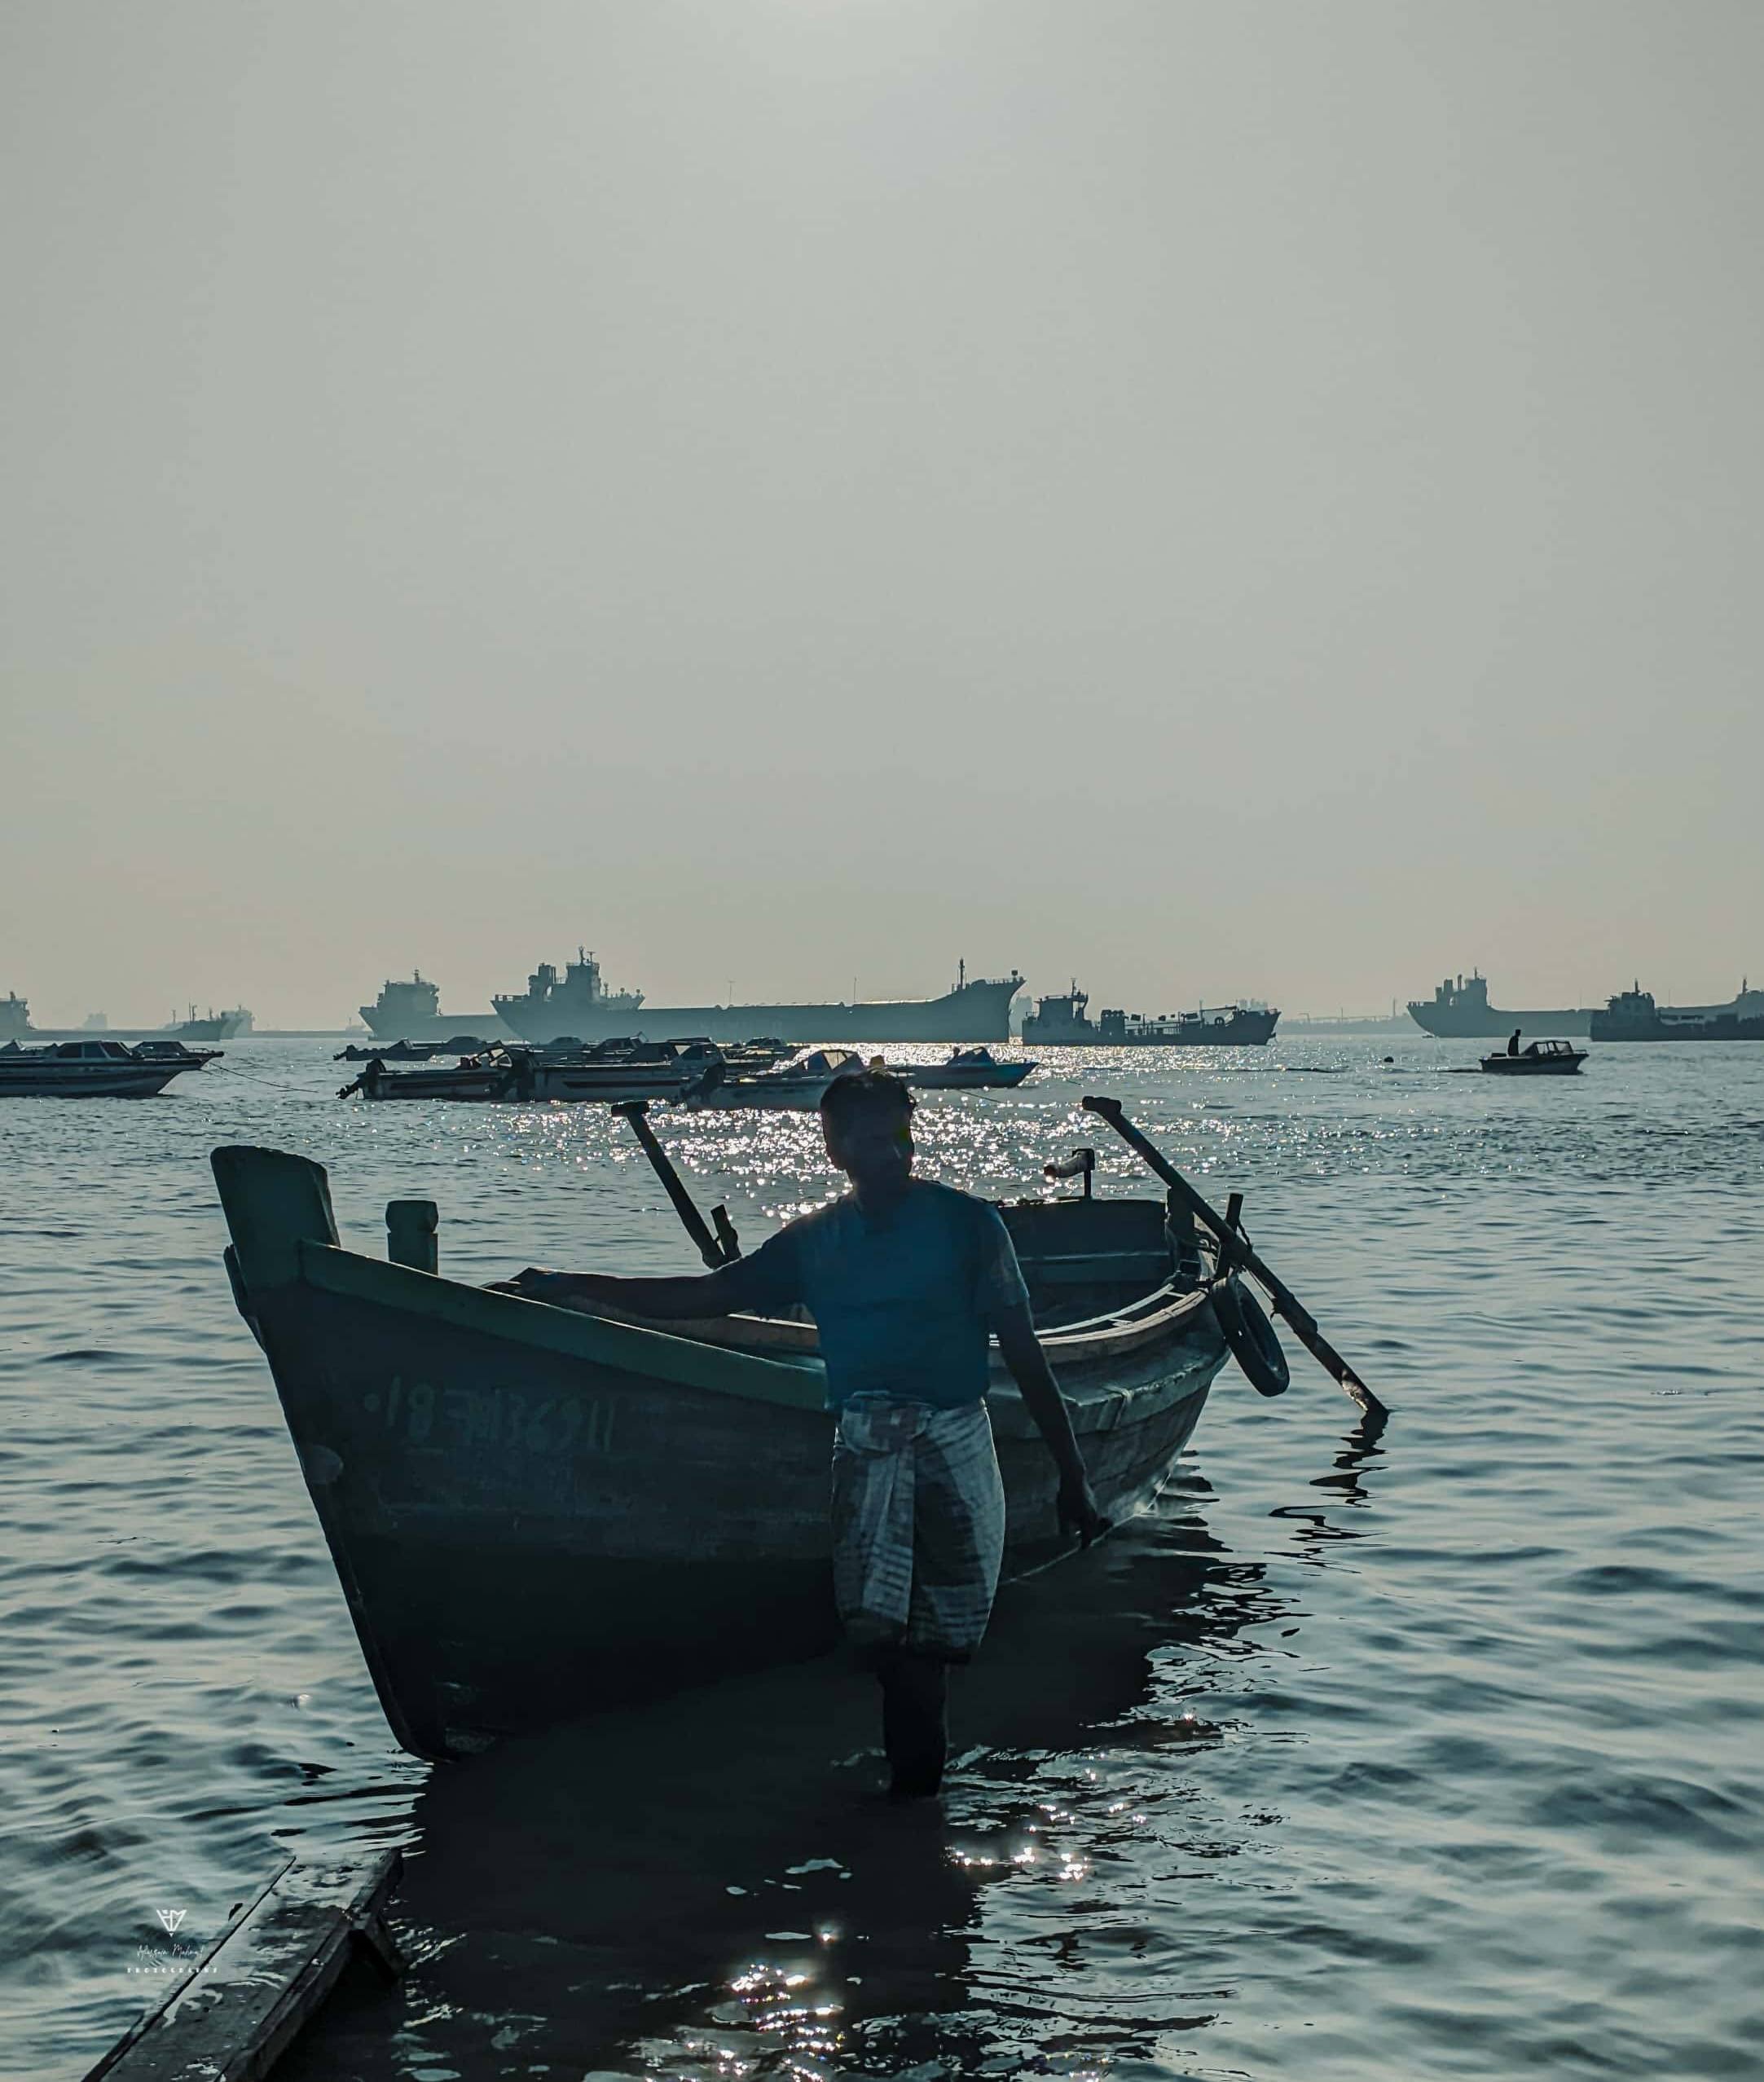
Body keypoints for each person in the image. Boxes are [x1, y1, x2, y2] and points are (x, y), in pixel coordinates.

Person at [505, 1069, 1107, 1798]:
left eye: (898, 1133)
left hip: (954, 1442)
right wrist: (573, 1285)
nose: (888, 1150)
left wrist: (1073, 1476)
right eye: (866, 1137)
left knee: (936, 1647)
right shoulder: (814, 1240)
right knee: (883, 1643)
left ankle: (917, 1810)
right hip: (864, 1444)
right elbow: (705, 1295)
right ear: (834, 1151)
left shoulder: (969, 1224)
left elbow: (1024, 1353)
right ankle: (913, 1813)